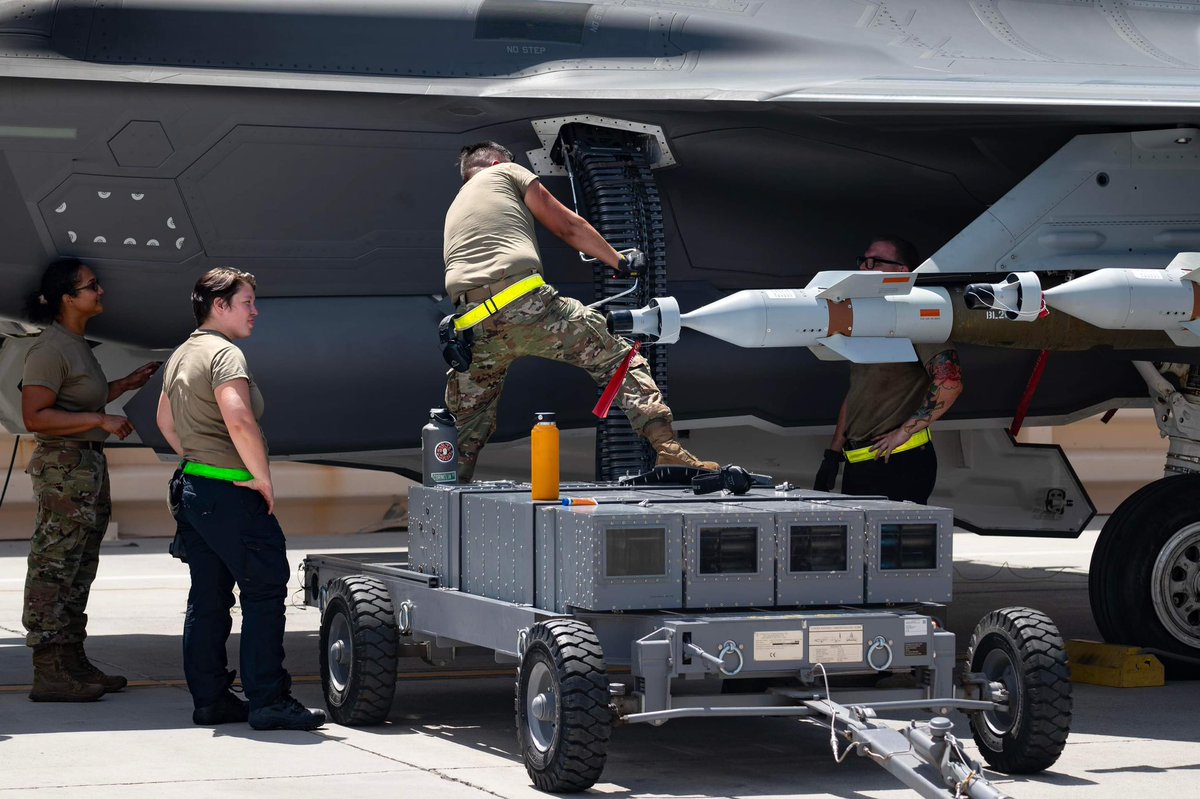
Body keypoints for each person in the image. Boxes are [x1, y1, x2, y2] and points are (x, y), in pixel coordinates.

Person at [444, 141, 717, 481]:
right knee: (619, 359)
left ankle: (448, 480)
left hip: (472, 324)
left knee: (470, 416)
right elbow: (567, 226)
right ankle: (670, 451)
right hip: (526, 304)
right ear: (498, 161)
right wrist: (619, 261)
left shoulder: (457, 204)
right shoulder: (507, 171)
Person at [156, 267, 326, 730]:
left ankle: (211, 700)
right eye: (247, 301)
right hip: (231, 490)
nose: (255, 310)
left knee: (208, 597)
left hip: (194, 487)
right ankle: (269, 699)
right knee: (265, 590)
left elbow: (166, 421)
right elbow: (239, 419)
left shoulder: (181, 355)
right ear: (220, 306)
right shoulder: (225, 355)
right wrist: (262, 478)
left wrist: (199, 458)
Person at [20, 259, 160, 702]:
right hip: (64, 466)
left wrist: (123, 385)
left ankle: (72, 659)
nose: (100, 292)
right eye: (91, 286)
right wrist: (99, 418)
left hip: (85, 466)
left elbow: (79, 396)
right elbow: (35, 415)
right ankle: (49, 669)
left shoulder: (78, 345)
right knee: (54, 564)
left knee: (79, 565)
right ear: (67, 297)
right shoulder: (51, 348)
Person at [814, 236, 964, 503]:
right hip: (860, 462)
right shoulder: (868, 323)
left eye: (876, 262)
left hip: (900, 463)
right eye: (864, 261)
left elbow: (949, 383)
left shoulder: (919, 319)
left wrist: (903, 432)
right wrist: (834, 453)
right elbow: (859, 390)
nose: (865, 268)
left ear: (901, 271)